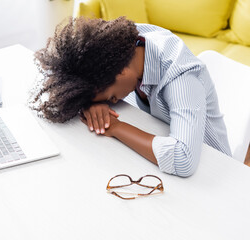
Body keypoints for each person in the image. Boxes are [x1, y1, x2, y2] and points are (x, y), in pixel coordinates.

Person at [30, 17, 231, 177]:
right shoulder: (123, 48)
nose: (113, 101)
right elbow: (70, 74)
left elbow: (183, 159)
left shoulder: (180, 77)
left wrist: (115, 127)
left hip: (217, 170)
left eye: (112, 97)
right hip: (161, 141)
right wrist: (91, 102)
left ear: (120, 73)